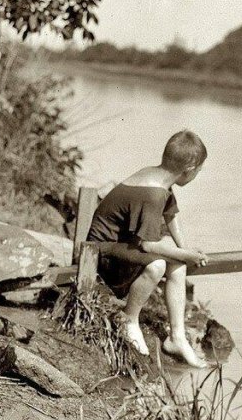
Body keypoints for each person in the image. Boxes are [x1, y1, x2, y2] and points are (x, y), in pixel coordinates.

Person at [86, 130, 208, 367]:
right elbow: (148, 245)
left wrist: (185, 249)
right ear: (189, 169)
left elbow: (170, 214)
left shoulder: (159, 177)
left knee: (178, 265)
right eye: (199, 170)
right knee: (157, 264)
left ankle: (177, 336)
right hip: (100, 252)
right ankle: (129, 319)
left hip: (120, 244)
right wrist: (188, 255)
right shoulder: (152, 193)